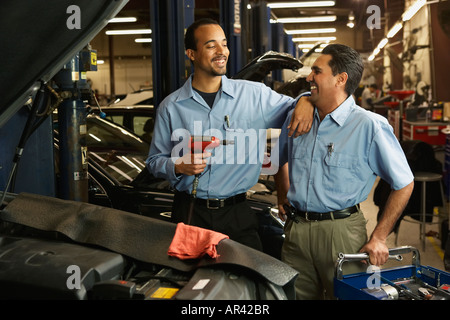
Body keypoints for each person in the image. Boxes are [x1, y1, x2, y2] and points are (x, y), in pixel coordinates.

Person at [146, 18, 313, 251]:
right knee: (192, 283)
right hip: (190, 212)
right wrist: (177, 165)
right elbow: (153, 161)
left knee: (245, 280)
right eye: (211, 45)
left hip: (237, 214)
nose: (221, 51)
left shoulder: (254, 96)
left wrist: (305, 100)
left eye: (224, 44)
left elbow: (296, 111)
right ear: (191, 53)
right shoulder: (171, 107)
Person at [274, 44, 414, 299]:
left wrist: (380, 236)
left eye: (317, 71)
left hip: (342, 234)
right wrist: (282, 195)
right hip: (296, 232)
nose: (308, 78)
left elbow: (404, 183)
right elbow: (280, 158)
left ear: (340, 79)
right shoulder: (297, 116)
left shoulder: (369, 126)